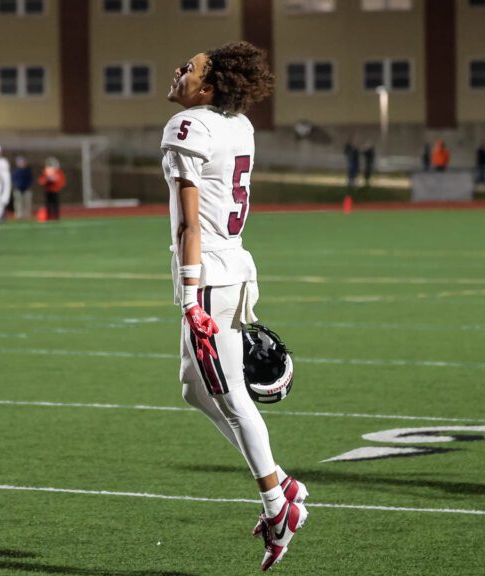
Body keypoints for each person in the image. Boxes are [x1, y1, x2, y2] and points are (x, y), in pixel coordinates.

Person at [162, 40, 307, 571]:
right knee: (193, 387)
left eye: (190, 67)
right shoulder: (238, 124)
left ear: (209, 86)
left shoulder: (189, 127)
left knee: (228, 392)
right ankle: (280, 484)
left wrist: (188, 294)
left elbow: (187, 220)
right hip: (234, 265)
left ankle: (278, 500)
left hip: (209, 276)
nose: (178, 70)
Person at [38, 157, 66, 221]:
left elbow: (61, 181)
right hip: (48, 190)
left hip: (55, 190)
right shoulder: (45, 171)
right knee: (48, 204)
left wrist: (55, 181)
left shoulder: (58, 172)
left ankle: (56, 216)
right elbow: (41, 181)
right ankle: (49, 216)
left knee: (55, 204)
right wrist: (47, 180)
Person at [12, 155, 34, 220]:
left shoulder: (28, 170)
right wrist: (16, 186)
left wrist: (28, 186)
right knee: (18, 203)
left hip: (27, 189)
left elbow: (30, 179)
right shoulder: (16, 171)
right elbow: (13, 179)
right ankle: (18, 215)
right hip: (18, 189)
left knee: (27, 203)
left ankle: (26, 215)